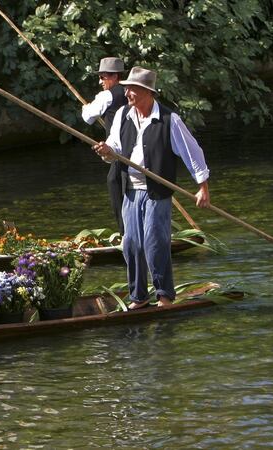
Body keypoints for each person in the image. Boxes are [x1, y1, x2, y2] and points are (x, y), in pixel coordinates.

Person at [92, 67, 211, 309]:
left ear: (147, 92)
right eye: (126, 88)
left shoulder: (169, 120)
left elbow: (193, 153)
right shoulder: (123, 115)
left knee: (155, 243)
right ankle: (139, 296)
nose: (126, 93)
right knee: (132, 244)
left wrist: (202, 188)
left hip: (156, 192)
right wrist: (107, 152)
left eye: (131, 89)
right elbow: (114, 148)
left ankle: (164, 295)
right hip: (131, 190)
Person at [82, 56, 128, 234]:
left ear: (115, 76)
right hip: (132, 149)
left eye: (104, 77)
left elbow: (88, 118)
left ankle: (126, 233)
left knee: (114, 182)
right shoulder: (130, 92)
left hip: (117, 151)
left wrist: (85, 108)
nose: (100, 81)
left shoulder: (107, 95)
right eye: (100, 77)